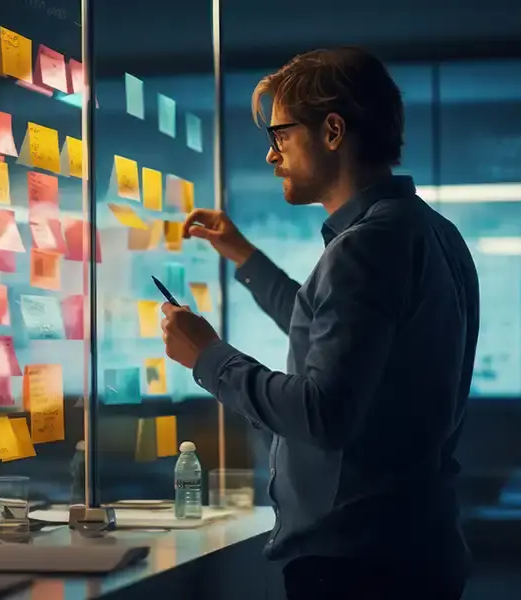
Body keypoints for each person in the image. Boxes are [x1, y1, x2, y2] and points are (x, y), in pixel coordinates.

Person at [160, 47, 478, 600]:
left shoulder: (367, 246)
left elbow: (322, 411)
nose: (270, 155)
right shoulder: (428, 230)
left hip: (358, 565)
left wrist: (209, 358)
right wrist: (242, 255)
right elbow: (335, 335)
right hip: (407, 549)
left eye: (280, 135)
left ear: (333, 130)